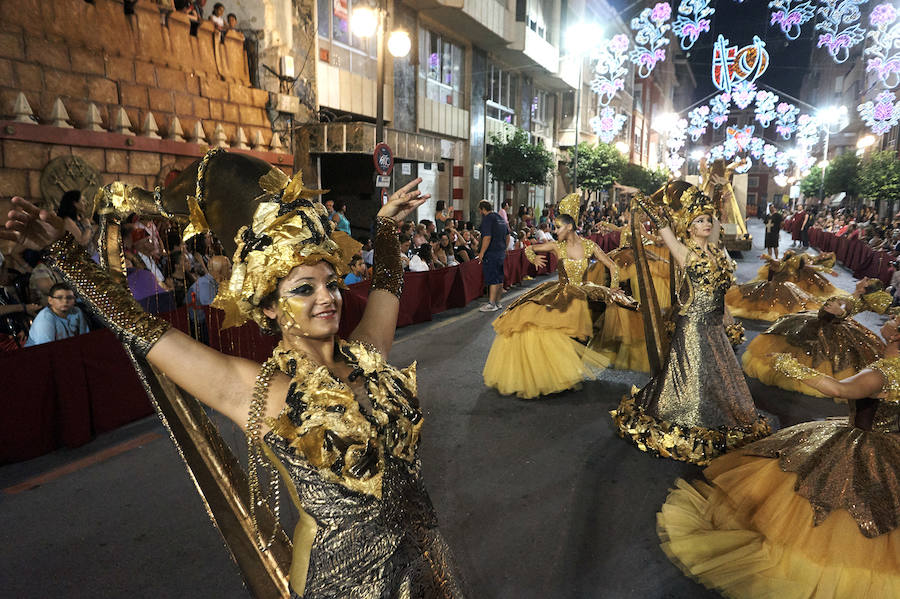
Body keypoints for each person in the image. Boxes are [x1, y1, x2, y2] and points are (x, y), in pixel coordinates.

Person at [2, 170, 467, 597]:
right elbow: (139, 328)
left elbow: (387, 284)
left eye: (330, 283)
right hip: (347, 581)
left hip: (426, 561)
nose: (327, 297)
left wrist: (385, 227)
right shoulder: (259, 390)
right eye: (304, 288)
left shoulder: (367, 353)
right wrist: (64, 255)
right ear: (268, 307)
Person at [657, 316, 900, 598]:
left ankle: (808, 566)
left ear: (896, 335)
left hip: (860, 445)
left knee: (829, 500)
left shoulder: (882, 373)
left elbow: (839, 389)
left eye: (896, 318)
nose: (891, 317)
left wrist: (789, 365)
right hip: (890, 447)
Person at [611, 183, 770, 465]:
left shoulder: (718, 253)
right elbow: (662, 226)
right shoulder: (684, 253)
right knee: (692, 377)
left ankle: (716, 419)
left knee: (719, 374)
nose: (706, 223)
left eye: (708, 219)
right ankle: (688, 423)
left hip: (714, 327)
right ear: (690, 227)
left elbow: (721, 288)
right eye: (699, 220)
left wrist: (718, 197)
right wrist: (640, 196)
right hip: (693, 326)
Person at [483, 193, 632, 399]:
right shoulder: (556, 246)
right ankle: (550, 374)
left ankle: (565, 373)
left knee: (571, 337)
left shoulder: (589, 246)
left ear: (569, 227)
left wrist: (613, 288)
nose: (554, 231)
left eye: (558, 227)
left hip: (580, 293)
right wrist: (534, 260)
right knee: (534, 323)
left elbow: (613, 266)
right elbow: (529, 249)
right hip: (560, 292)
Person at [742, 278, 891, 396]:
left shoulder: (850, 302)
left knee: (812, 350)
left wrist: (840, 312)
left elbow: (845, 309)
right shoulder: (856, 299)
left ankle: (799, 372)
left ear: (863, 289)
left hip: (824, 327)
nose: (864, 278)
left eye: (866, 280)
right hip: (826, 323)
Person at [24, 283, 89, 346]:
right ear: (50, 300)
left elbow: (85, 338)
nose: (65, 301)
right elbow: (46, 350)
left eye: (69, 297)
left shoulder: (77, 311)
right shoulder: (45, 320)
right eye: (59, 298)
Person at [476, 200, 509, 312]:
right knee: (499, 278)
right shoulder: (499, 218)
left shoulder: (488, 219)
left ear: (481, 209)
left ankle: (491, 304)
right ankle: (498, 302)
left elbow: (487, 237)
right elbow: (508, 235)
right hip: (500, 252)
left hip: (492, 253)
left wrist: (481, 253)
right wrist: (505, 248)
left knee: (492, 278)